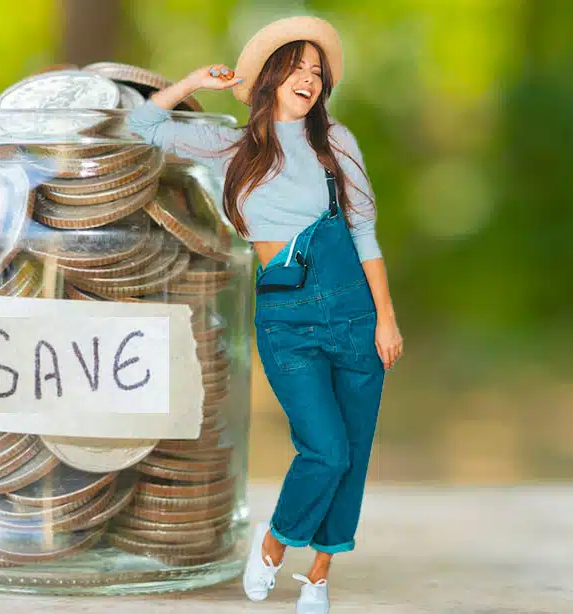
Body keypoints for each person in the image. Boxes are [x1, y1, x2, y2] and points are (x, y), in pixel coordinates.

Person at [125, 15, 403, 614]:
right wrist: (194, 80)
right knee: (323, 447)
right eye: (298, 67)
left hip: (354, 312)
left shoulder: (339, 144)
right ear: (272, 76)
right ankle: (275, 544)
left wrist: (386, 317)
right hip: (287, 317)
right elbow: (141, 126)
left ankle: (319, 576)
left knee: (353, 451)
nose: (309, 79)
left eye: (317, 71)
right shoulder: (232, 146)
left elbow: (365, 234)